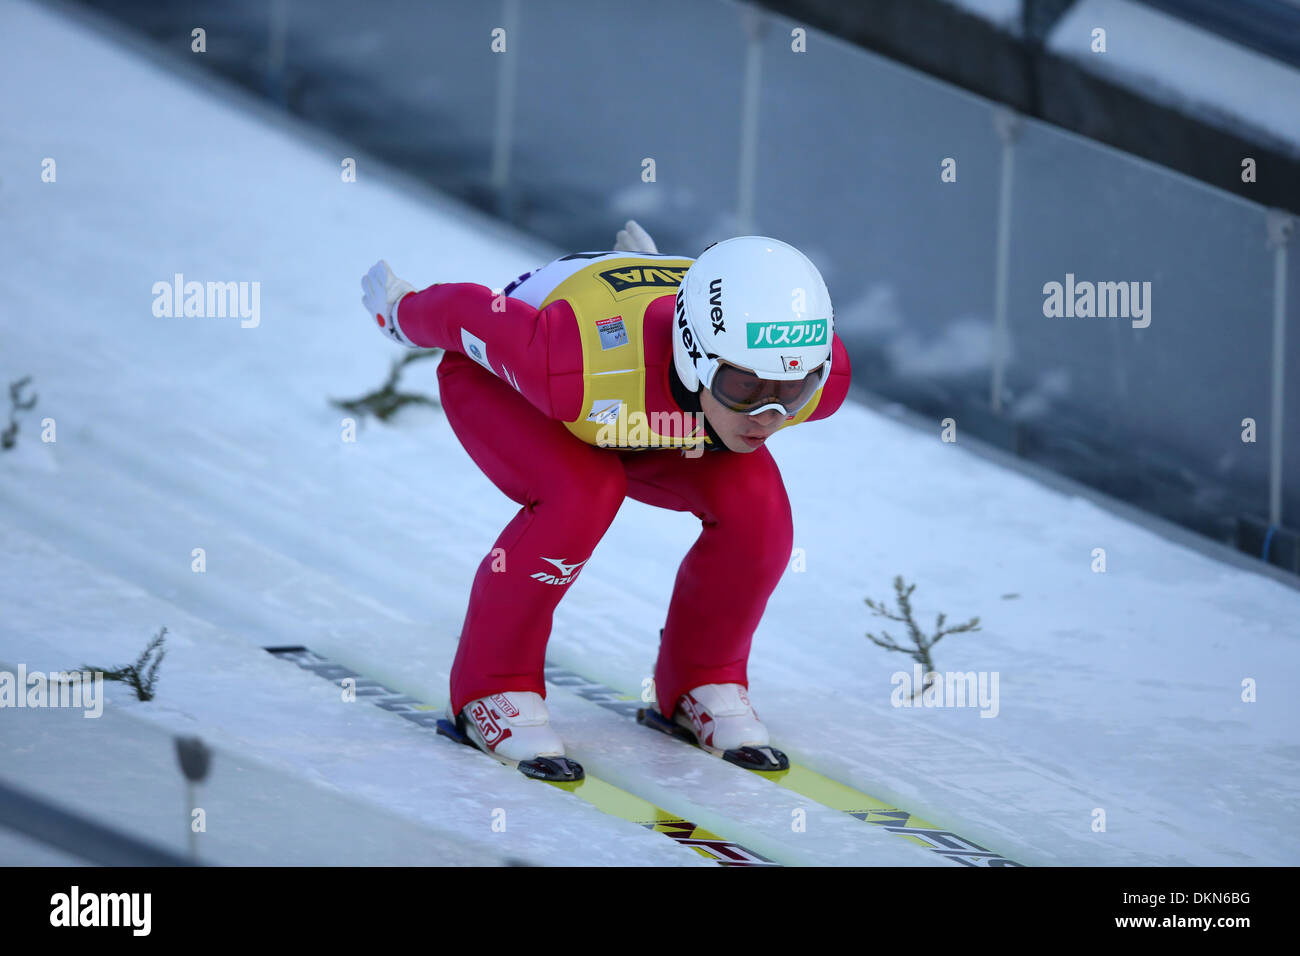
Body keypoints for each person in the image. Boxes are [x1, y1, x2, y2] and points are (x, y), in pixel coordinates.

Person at [360, 223, 851, 781]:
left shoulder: (815, 370)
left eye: (793, 393)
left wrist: (745, 394)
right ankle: (491, 688)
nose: (768, 415)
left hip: (654, 409)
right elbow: (471, 312)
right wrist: (400, 311)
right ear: (694, 356)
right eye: (743, 388)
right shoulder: (570, 358)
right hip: (541, 389)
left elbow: (765, 383)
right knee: (582, 495)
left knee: (759, 512)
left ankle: (702, 676)